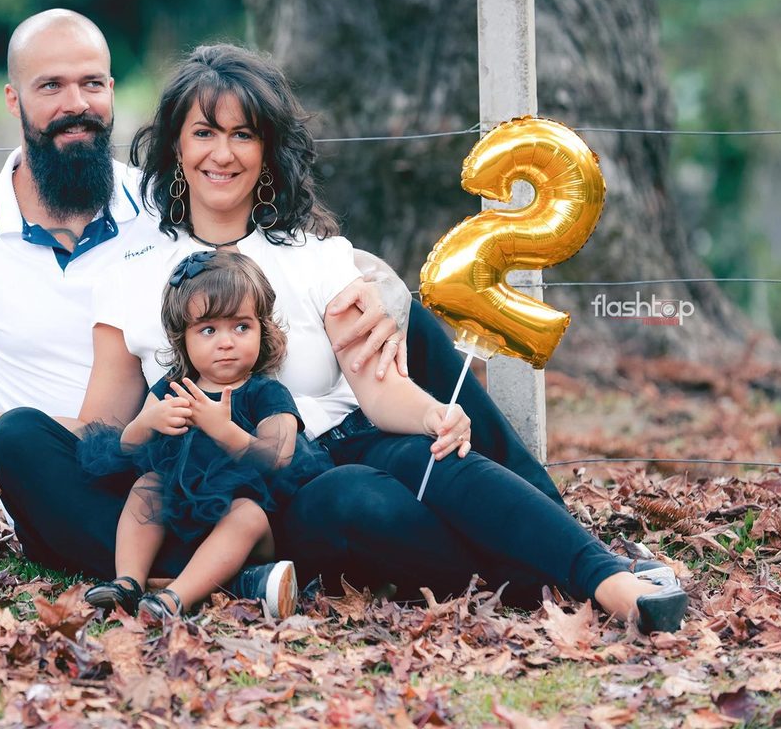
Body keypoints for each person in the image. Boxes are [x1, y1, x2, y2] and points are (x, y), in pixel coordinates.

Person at [47, 43, 688, 632]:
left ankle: (608, 581)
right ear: (176, 149)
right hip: (246, 494)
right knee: (352, 505)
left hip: (340, 446)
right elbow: (99, 435)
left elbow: (378, 392)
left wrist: (439, 413)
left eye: (244, 134)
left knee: (430, 458)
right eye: (205, 133)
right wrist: (14, 425)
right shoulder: (131, 271)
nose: (223, 153)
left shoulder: (317, 257)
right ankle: (548, 567)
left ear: (267, 152)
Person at [0, 9, 406, 606]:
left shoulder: (163, 199)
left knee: (404, 335)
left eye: (91, 83)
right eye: (50, 86)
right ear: (13, 99)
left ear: (112, 91)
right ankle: (234, 578)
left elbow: (285, 244)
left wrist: (386, 293)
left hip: (195, 457)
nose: (75, 103)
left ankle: (208, 574)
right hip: (77, 476)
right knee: (18, 439)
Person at [79, 251, 334, 619]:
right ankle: (128, 582)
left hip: (252, 527)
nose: (226, 342)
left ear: (263, 329)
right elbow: (126, 446)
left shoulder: (265, 393)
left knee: (246, 514)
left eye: (241, 327)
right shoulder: (173, 388)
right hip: (182, 519)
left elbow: (278, 457)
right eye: (209, 330)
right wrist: (148, 422)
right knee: (148, 484)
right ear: (184, 339)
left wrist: (223, 429)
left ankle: (174, 598)